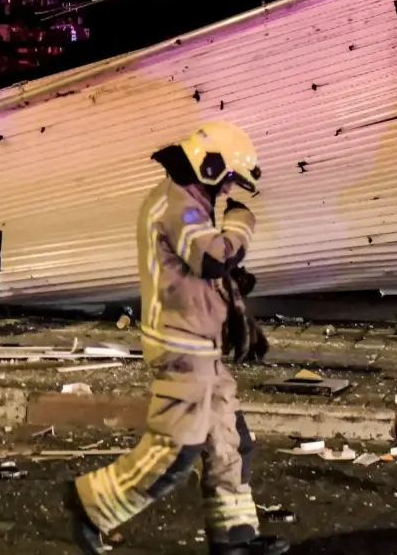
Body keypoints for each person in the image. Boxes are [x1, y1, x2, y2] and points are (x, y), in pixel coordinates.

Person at [65, 120, 288, 555]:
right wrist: (241, 225)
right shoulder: (177, 203)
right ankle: (91, 504)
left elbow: (206, 276)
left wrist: (238, 312)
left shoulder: (194, 203)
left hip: (202, 347)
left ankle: (235, 538)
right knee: (176, 450)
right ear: (211, 167)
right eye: (229, 180)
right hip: (181, 347)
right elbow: (210, 258)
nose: (230, 191)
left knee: (230, 441)